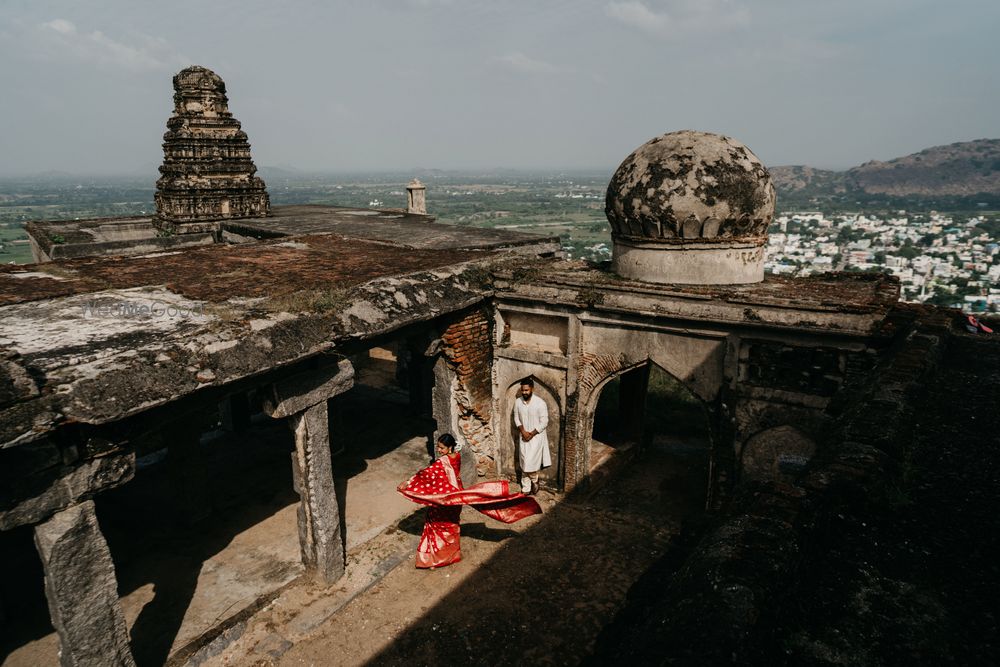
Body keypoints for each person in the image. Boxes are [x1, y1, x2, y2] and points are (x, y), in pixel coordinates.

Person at [397, 433, 542, 569]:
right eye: (438, 447)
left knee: (437, 525)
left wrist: (408, 483)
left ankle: (437, 558)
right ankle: (450, 555)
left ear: (450, 448)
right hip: (456, 497)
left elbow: (426, 474)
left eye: (442, 447)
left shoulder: (443, 461)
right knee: (451, 525)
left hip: (448, 499)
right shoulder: (456, 456)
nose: (439, 450)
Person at [513, 377, 551, 495]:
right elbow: (516, 418)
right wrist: (523, 431)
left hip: (536, 438)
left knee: (530, 462)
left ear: (532, 389)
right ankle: (526, 488)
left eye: (526, 390)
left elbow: (544, 422)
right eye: (522, 390)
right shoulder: (518, 402)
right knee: (524, 463)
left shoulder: (540, 403)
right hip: (523, 436)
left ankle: (535, 480)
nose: (524, 393)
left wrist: (532, 433)